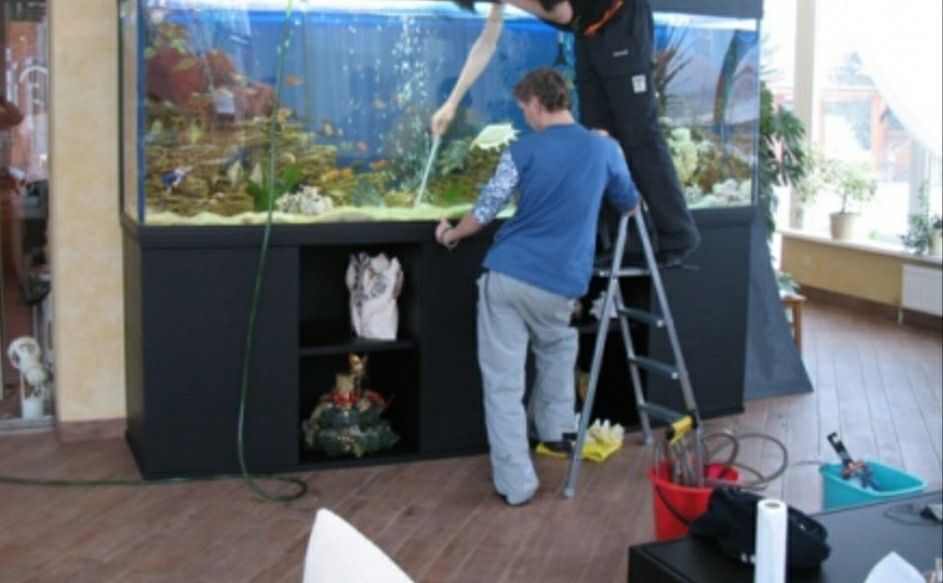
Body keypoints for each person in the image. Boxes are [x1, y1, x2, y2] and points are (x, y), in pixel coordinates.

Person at [434, 68, 639, 506]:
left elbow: (487, 208)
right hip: (561, 283)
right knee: (558, 345)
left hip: (508, 276)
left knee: (504, 385)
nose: (524, 117)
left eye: (524, 108)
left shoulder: (522, 151)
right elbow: (630, 203)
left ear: (537, 103)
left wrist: (452, 233)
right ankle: (555, 429)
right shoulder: (604, 148)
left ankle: (517, 484)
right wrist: (607, 149)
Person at [434, 0, 699, 264]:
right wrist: (451, 103)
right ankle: (619, 240)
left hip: (621, 19)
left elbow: (563, 12)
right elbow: (485, 44)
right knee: (597, 136)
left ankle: (677, 233)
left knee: (637, 133)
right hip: (589, 33)